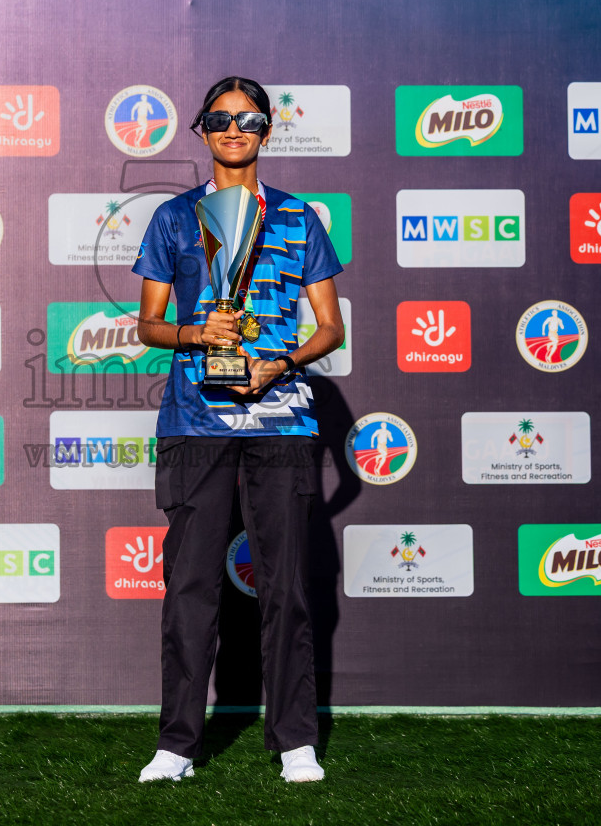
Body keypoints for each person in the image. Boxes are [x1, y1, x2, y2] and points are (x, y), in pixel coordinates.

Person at [131, 76, 344, 785]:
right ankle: (177, 744)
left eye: (248, 120)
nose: (233, 130)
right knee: (190, 587)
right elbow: (149, 325)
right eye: (220, 119)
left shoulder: (300, 218)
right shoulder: (173, 218)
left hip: (281, 422)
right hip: (195, 422)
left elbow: (330, 328)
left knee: (286, 589)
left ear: (266, 131)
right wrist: (199, 332)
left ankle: (295, 741)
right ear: (201, 129)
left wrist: (279, 363)